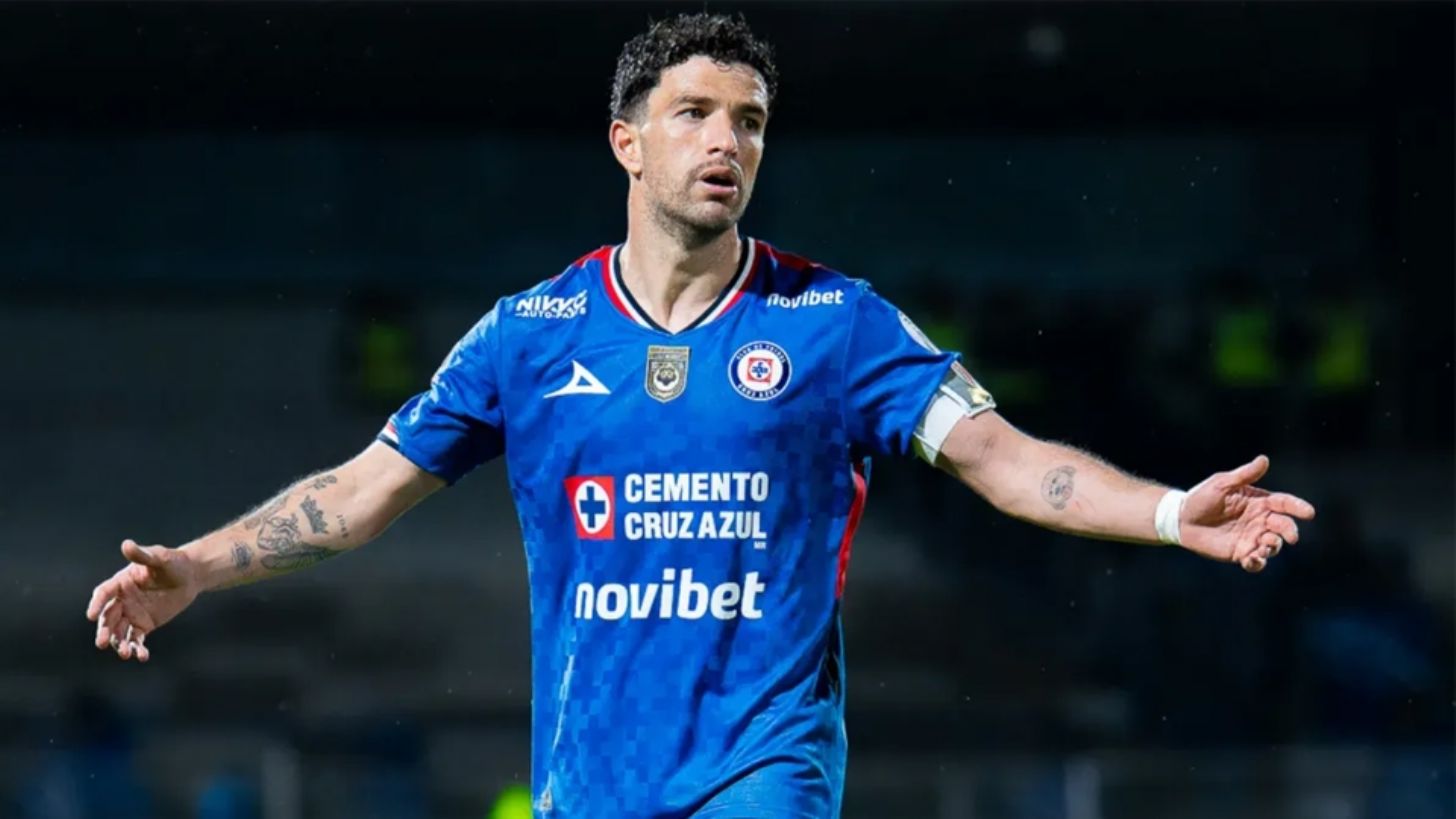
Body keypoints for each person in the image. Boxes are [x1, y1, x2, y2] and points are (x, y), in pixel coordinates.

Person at [84, 13, 1316, 818]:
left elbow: (1003, 461)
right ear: (626, 141)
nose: (727, 141)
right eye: (695, 114)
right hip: (592, 782)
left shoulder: (835, 323)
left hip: (764, 768)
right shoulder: (528, 336)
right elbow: (356, 497)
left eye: (751, 122)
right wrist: (197, 566)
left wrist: (1172, 513)